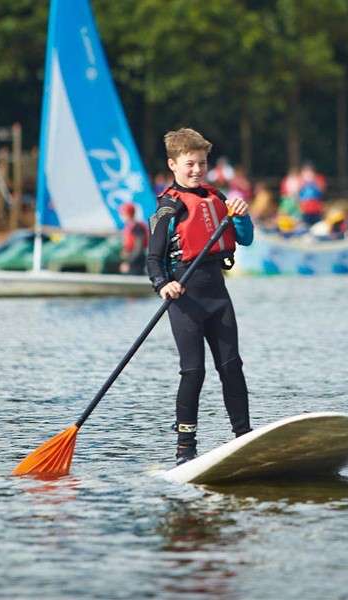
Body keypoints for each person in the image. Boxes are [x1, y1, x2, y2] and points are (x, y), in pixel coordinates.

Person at [146, 128, 255, 465]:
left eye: (202, 163)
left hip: (217, 295)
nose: (196, 170)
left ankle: (244, 436)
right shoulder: (169, 208)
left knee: (232, 366)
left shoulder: (217, 198)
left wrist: (242, 216)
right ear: (173, 165)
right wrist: (163, 284)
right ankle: (185, 447)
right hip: (185, 300)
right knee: (194, 371)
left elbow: (246, 239)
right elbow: (152, 259)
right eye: (189, 164)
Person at [118, 201, 147, 273]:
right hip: (131, 258)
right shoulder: (129, 226)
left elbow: (138, 248)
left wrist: (129, 262)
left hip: (137, 261)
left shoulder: (137, 227)